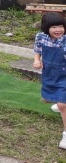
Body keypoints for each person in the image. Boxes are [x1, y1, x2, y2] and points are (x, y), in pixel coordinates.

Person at [33, 12, 66, 150]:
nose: (58, 30)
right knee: (51, 98)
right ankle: (60, 106)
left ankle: (65, 134)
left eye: (61, 26)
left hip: (64, 75)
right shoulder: (41, 37)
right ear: (46, 28)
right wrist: (36, 59)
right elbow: (37, 49)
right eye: (54, 27)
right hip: (50, 74)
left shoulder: (64, 40)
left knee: (63, 103)